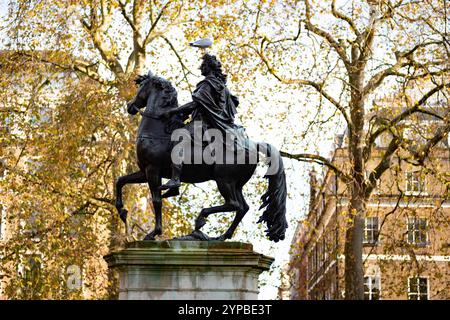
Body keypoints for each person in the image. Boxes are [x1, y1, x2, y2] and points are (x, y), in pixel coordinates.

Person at [159, 53, 248, 190]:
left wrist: (173, 111)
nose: (200, 68)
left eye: (203, 66)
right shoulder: (222, 87)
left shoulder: (208, 84)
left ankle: (175, 179)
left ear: (209, 67)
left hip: (203, 125)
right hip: (213, 124)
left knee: (179, 138)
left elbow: (196, 105)